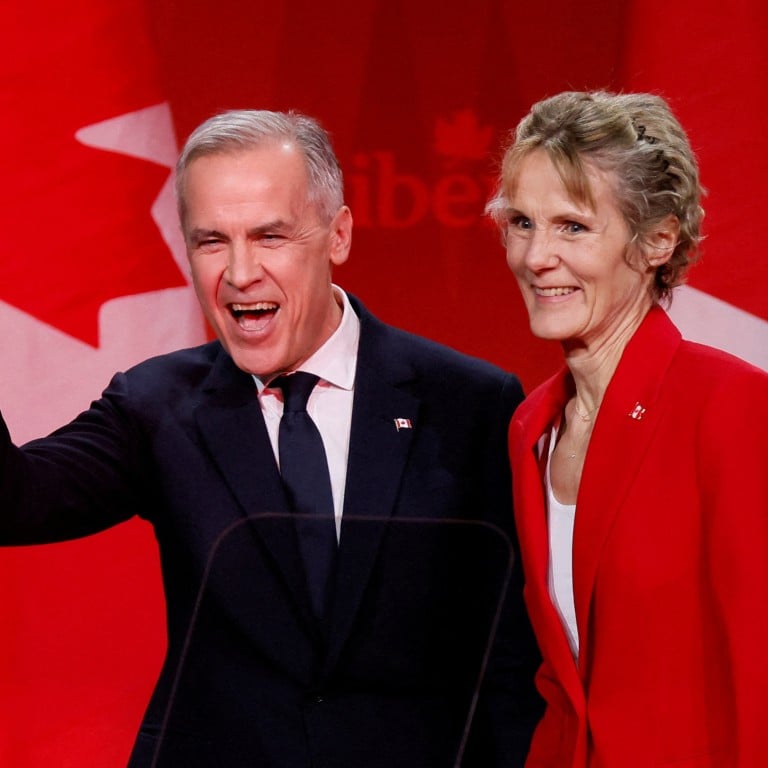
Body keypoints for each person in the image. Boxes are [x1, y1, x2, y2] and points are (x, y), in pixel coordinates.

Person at [0, 110, 543, 767]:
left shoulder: (471, 404)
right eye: (210, 241)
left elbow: (510, 655)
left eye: (269, 236)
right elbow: (14, 500)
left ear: (337, 234)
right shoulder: (156, 406)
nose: (239, 272)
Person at [486, 90, 768, 767]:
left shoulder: (730, 407)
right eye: (522, 222)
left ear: (658, 240)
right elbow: (563, 682)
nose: (535, 257)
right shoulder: (531, 424)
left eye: (573, 227)